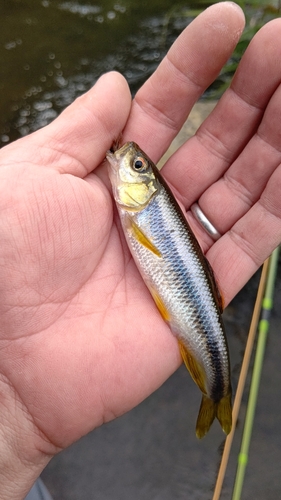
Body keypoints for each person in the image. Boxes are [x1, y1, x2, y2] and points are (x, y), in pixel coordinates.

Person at [1, 3, 281, 499]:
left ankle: (216, 389)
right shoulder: (137, 209)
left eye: (132, 165)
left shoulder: (142, 208)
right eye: (135, 163)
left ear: (144, 185)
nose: (121, 162)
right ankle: (216, 392)